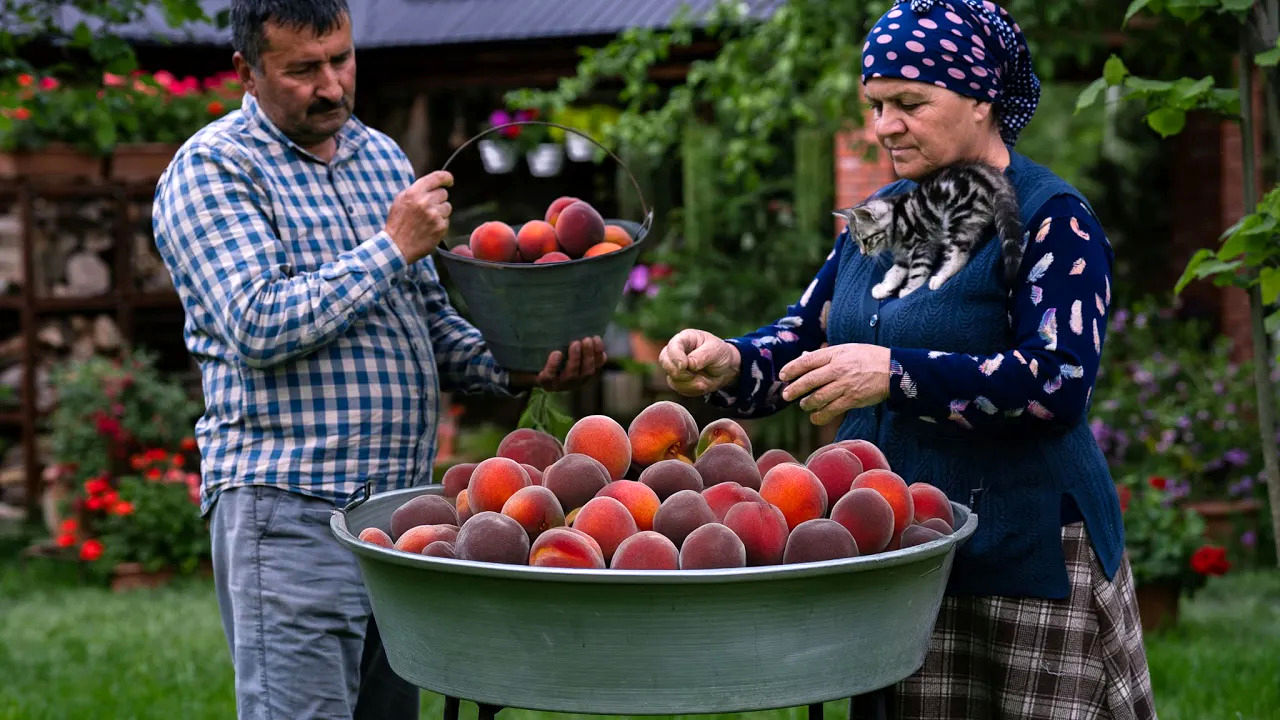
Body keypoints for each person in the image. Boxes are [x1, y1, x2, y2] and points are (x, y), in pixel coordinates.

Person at [659, 1, 1155, 717]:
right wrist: (732, 361)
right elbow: (808, 335)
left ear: (982, 96)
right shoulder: (879, 219)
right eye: (876, 104)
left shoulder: (1052, 219)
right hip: (896, 555)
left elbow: (1058, 380)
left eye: (910, 103)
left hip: (1025, 554)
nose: (885, 125)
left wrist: (894, 372)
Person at [152, 2, 605, 718]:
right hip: (289, 510)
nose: (331, 85)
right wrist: (390, 246)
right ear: (246, 71)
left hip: (398, 519)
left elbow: (426, 319)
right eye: (303, 69)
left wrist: (519, 366)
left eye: (341, 59)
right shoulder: (212, 169)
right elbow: (257, 322)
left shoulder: (380, 159)